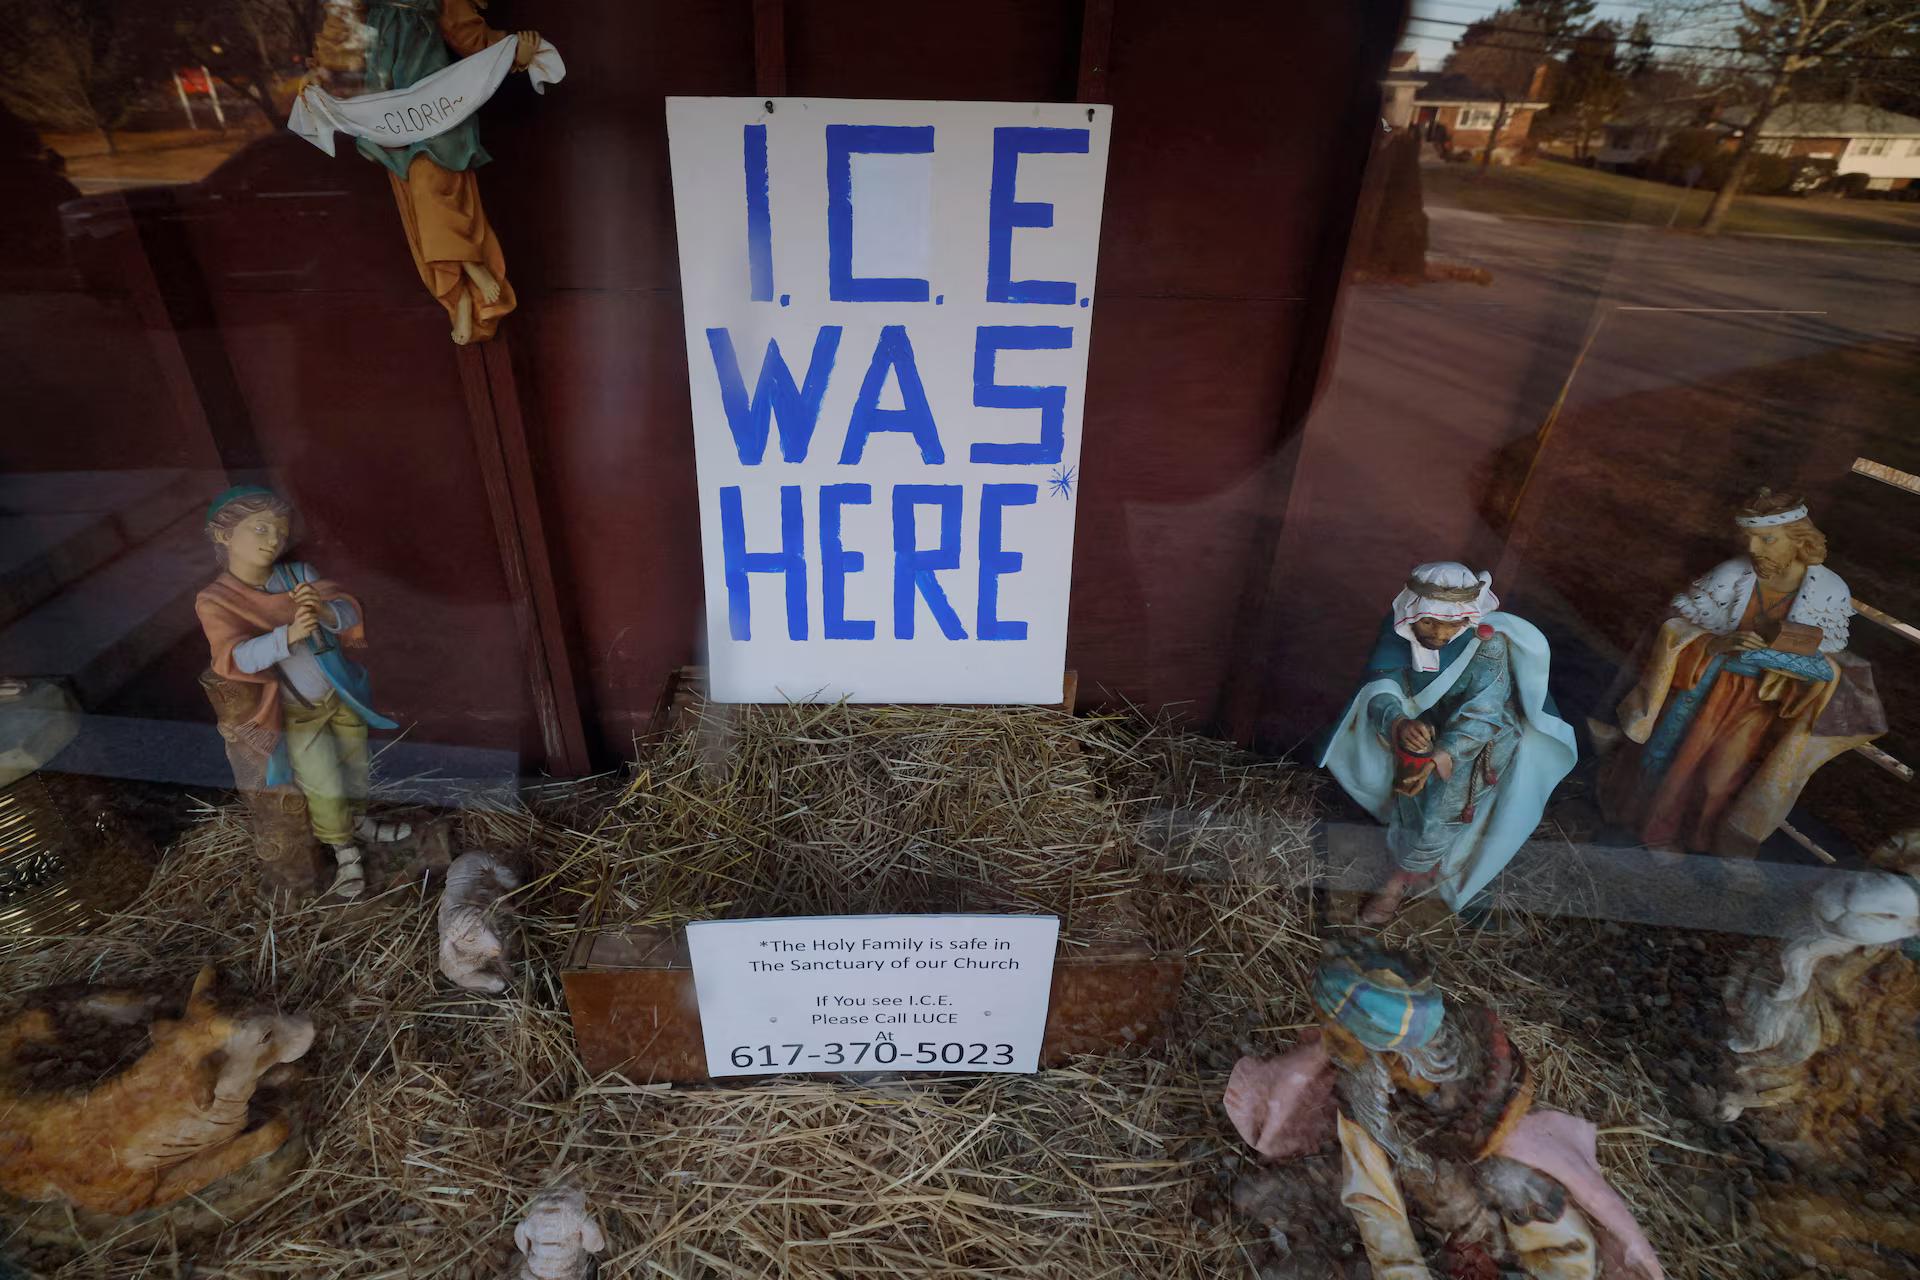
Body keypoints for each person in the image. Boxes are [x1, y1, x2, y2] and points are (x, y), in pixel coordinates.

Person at [1223, 941, 1665, 1280]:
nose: (1330, 1049)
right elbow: (1375, 1202)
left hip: (1495, 1220)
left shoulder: (1486, 1099)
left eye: (1340, 1039)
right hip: (1423, 1208)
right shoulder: (1368, 1093)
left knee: (1508, 1179)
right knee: (1260, 1198)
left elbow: (1528, 1178)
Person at [1597, 489, 1886, 858]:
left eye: (1767, 539)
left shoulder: (1828, 591)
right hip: (1700, 682)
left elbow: (1827, 662)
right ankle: (1653, 833)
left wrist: (1780, 659)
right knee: (1670, 759)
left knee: (1721, 776)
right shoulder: (1730, 576)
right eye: (1749, 538)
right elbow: (1672, 630)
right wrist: (1714, 644)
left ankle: (1703, 843)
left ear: (1799, 540)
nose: (1753, 548)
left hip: (1758, 701)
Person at [1322, 563, 1576, 925]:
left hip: (1476, 741)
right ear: (1413, 612)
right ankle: (1415, 858)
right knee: (1407, 794)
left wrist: (1445, 753)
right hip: (1423, 721)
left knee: (1441, 809)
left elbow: (1483, 714)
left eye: (1452, 624)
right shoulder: (1399, 627)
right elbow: (1381, 683)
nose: (1440, 634)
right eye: (1429, 622)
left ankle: (1395, 886)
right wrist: (1397, 720)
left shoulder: (1487, 644)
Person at [194, 487, 408, 899]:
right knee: (322, 779)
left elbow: (347, 611)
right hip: (297, 711)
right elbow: (233, 658)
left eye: (280, 530)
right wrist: (287, 635)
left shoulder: (298, 576)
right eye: (260, 528)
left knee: (355, 764)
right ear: (223, 535)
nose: (273, 539)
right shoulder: (216, 601)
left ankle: (360, 821)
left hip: (339, 694)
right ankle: (344, 851)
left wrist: (325, 611)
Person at [343, 0, 540, 344]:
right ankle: (460, 292)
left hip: (439, 109)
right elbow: (345, 43)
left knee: (431, 186)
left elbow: (468, 35)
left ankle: (470, 271)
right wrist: (321, 80)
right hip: (393, 116)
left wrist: (516, 55)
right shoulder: (369, 10)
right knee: (419, 203)